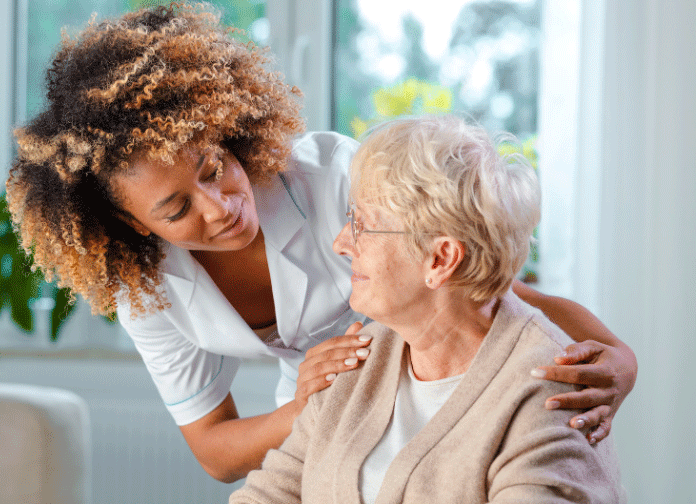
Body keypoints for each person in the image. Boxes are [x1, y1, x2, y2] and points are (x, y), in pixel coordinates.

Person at [5, 2, 636, 483]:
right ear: (136, 227)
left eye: (213, 166)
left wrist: (618, 357)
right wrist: (307, 405)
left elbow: (486, 284)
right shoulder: (148, 289)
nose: (221, 207)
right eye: (177, 209)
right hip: (323, 410)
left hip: (444, 377)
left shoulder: (332, 177)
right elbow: (217, 451)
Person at [230, 115, 625, 503]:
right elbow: (272, 491)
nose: (341, 242)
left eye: (361, 224)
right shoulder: (359, 356)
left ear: (440, 260)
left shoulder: (547, 395)